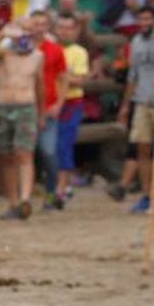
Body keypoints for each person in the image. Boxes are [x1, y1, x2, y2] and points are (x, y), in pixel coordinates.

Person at [112, 7, 154, 210]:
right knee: (142, 148)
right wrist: (125, 105)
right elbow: (133, 76)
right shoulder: (136, 42)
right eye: (141, 19)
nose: (144, 23)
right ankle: (148, 193)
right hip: (141, 100)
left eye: (148, 18)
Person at [0, 21, 44, 220]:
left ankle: (25, 198)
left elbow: (40, 86)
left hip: (26, 106)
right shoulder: (5, 52)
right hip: (4, 105)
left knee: (24, 152)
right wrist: (3, 34)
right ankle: (13, 201)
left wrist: (41, 113)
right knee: (6, 155)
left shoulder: (37, 56)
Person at [27, 10, 67, 207]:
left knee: (49, 153)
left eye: (43, 24)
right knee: (25, 153)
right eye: (36, 24)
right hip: (26, 106)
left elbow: (63, 77)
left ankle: (51, 192)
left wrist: (59, 103)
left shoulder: (54, 49)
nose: (39, 28)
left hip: (49, 107)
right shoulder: (22, 47)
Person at [53, 13, 88, 208]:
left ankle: (61, 187)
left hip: (71, 102)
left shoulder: (78, 52)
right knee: (51, 146)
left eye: (68, 28)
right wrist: (65, 75)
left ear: (75, 31)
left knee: (64, 144)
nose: (64, 31)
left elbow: (80, 79)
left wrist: (59, 75)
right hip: (50, 101)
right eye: (61, 27)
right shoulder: (50, 48)